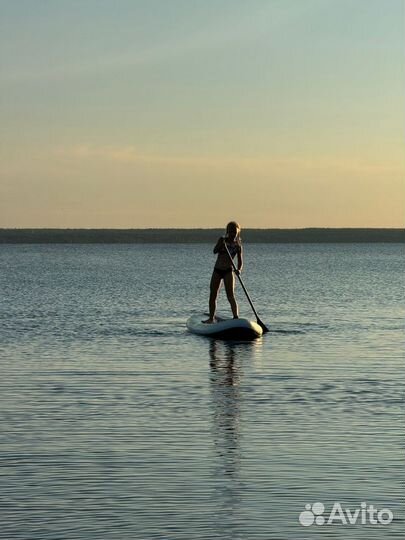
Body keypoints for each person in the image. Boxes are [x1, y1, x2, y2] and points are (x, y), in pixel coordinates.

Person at [203, 221, 243, 324]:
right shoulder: (222, 240)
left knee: (230, 295)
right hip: (217, 270)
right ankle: (211, 318)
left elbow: (240, 262)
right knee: (213, 294)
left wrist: (239, 270)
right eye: (230, 232)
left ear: (238, 232)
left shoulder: (238, 246)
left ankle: (236, 317)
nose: (233, 234)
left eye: (235, 232)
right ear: (227, 231)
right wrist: (221, 244)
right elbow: (214, 251)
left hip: (228, 271)